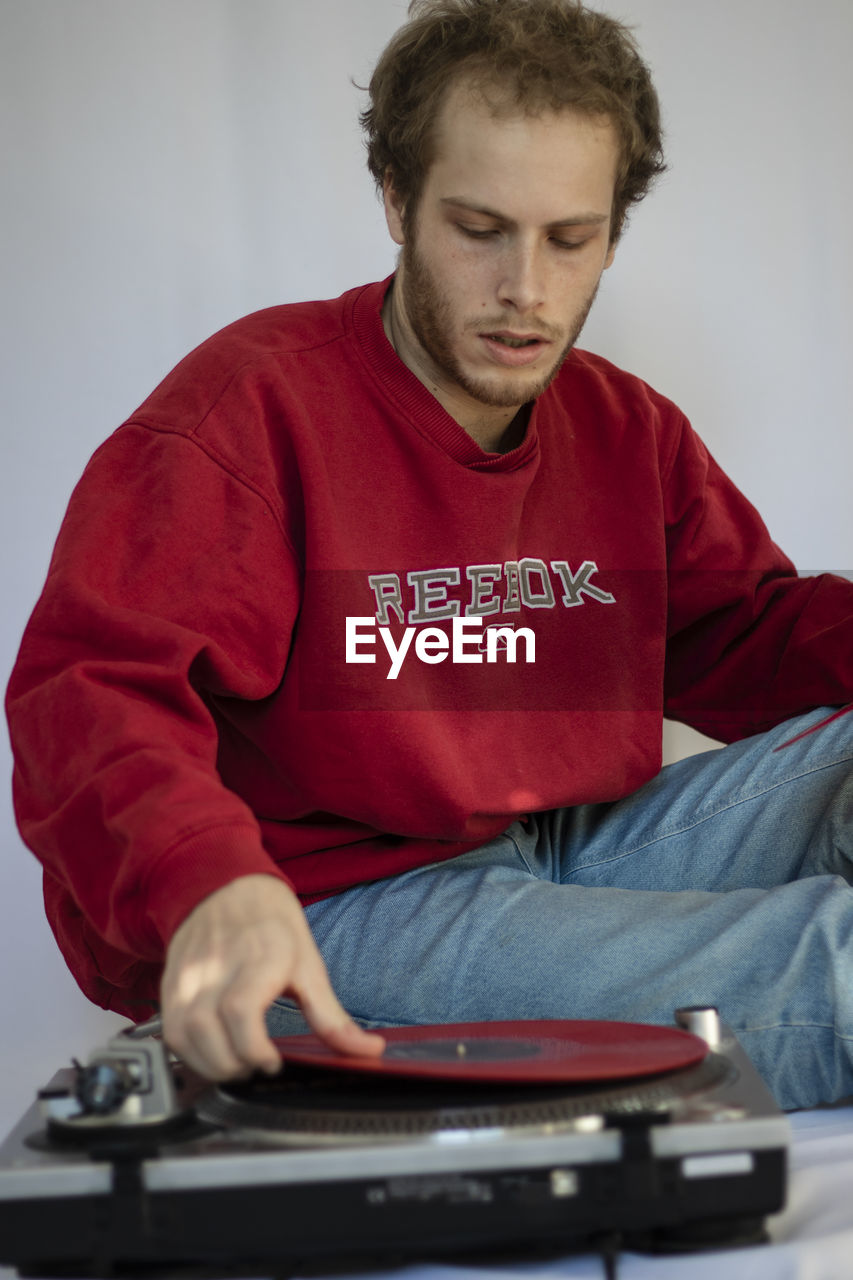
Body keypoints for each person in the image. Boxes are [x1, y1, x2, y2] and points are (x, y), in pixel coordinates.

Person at [6, 0, 853, 1111]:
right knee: (833, 964)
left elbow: (748, 634)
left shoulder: (623, 427)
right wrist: (207, 880)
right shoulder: (250, 408)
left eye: (570, 238)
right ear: (398, 201)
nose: (527, 291)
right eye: (478, 228)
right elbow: (90, 690)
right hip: (331, 912)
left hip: (560, 847)